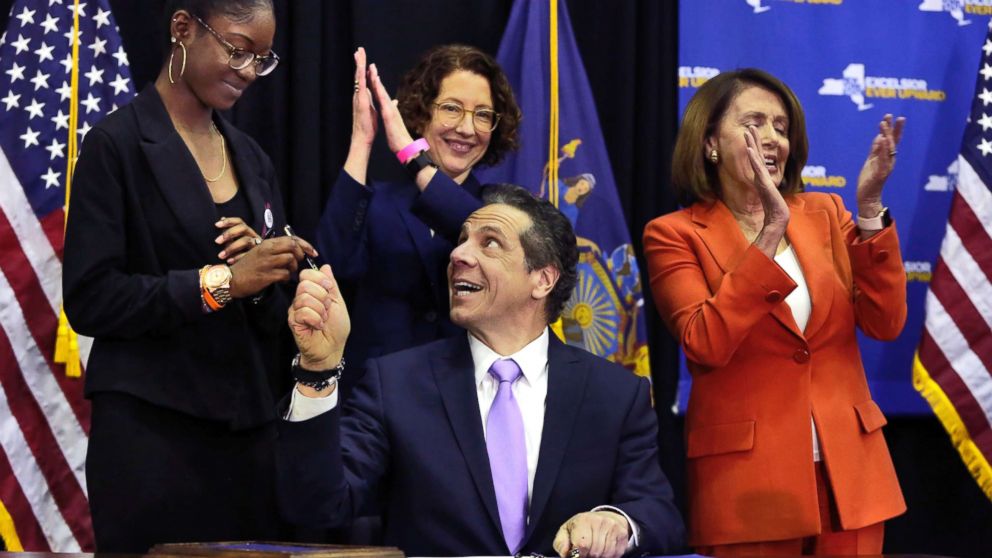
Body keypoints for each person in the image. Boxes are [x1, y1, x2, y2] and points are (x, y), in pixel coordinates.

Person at [279, 185, 685, 558]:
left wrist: (617, 523)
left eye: (489, 243)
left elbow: (658, 515)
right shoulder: (397, 383)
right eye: (461, 241)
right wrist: (318, 370)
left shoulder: (615, 393)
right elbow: (317, 504)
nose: (458, 256)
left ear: (542, 279)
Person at [62, 0, 315, 551]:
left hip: (248, 440)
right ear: (183, 28)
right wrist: (222, 282)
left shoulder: (251, 157)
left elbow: (268, 317)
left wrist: (274, 275)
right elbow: (91, 299)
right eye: (236, 49)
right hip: (151, 439)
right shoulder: (117, 146)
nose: (248, 71)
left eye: (262, 59)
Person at [643, 68, 907, 556]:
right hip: (748, 483)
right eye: (755, 123)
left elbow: (885, 322)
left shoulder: (826, 213)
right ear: (710, 145)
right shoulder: (673, 234)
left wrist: (869, 208)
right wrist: (768, 237)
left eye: (781, 128)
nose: (772, 138)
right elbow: (705, 343)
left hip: (849, 474)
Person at [314, 44, 521, 397]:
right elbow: (331, 265)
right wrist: (363, 140)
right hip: (375, 403)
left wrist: (410, 155)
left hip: (468, 402)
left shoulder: (505, 208)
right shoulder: (375, 201)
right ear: (422, 113)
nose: (467, 128)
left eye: (483, 114)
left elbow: (479, 231)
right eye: (452, 109)